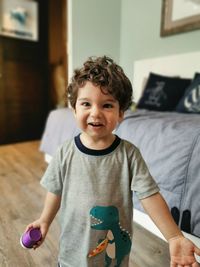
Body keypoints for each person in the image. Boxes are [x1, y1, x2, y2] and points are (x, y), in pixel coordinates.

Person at [24, 56, 200, 267]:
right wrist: (44, 220)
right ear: (74, 110)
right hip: (71, 256)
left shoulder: (129, 154)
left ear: (121, 114)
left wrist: (174, 236)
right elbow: (55, 189)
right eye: (86, 104)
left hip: (113, 260)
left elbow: (150, 194)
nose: (96, 112)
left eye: (107, 105)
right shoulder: (65, 152)